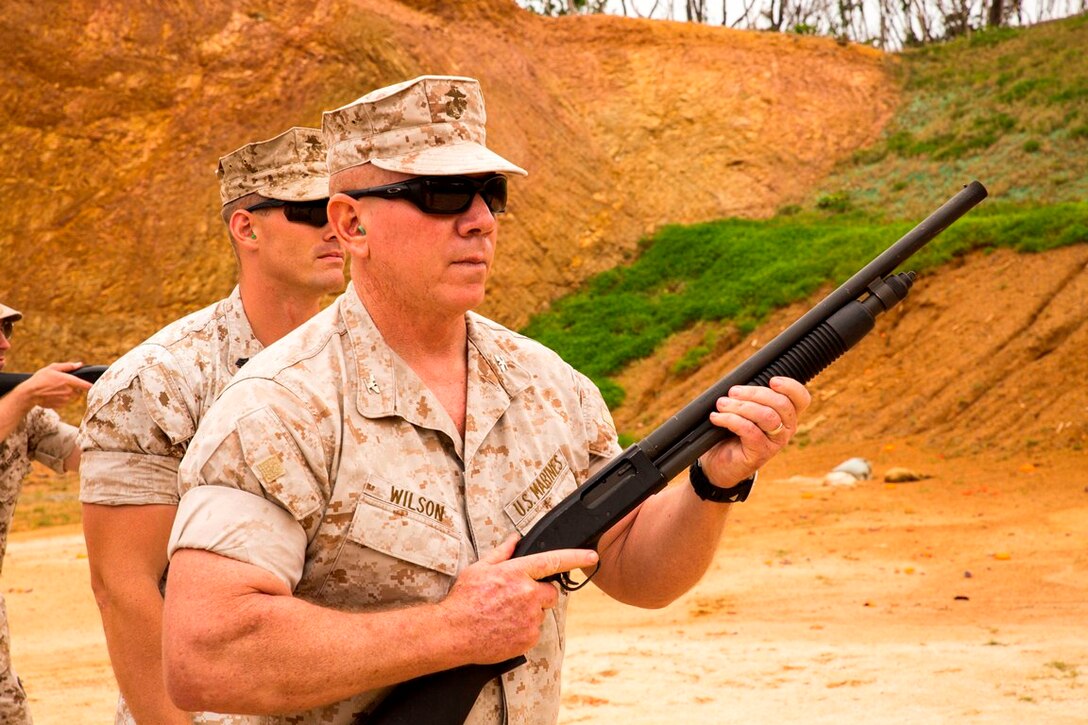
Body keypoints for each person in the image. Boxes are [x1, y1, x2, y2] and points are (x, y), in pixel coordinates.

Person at [161, 75, 811, 724]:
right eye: (442, 194)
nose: (478, 221)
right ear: (350, 222)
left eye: (489, 194)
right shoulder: (278, 409)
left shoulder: (549, 387)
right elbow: (206, 655)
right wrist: (451, 630)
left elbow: (637, 569)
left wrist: (711, 483)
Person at [79, 127, 345, 725]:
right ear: (246, 228)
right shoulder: (157, 381)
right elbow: (124, 587)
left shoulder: (375, 363)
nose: (334, 229)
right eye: (308, 212)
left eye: (339, 209)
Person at [0, 302, 93, 723]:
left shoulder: (23, 411)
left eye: (7, 330)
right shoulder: (18, 402)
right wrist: (25, 394)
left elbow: (87, 456)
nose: (4, 343)